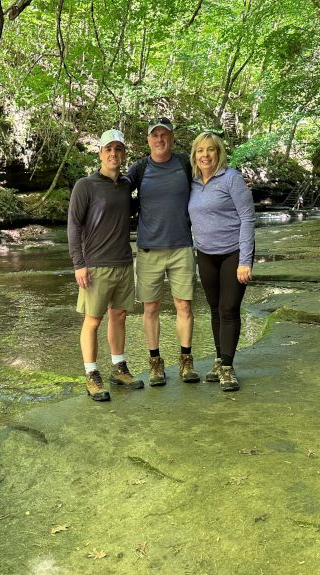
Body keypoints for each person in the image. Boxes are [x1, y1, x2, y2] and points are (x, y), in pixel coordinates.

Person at [67, 129, 143, 401]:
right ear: (99, 153)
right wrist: (79, 263)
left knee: (119, 316)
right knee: (93, 320)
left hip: (123, 262)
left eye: (119, 149)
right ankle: (91, 374)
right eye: (108, 149)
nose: (114, 153)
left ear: (123, 154)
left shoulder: (125, 186)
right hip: (95, 265)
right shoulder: (85, 186)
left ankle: (119, 368)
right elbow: (74, 226)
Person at [127, 116, 199, 387]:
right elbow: (119, 191)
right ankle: (155, 363)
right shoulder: (140, 168)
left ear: (172, 137)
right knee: (151, 307)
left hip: (182, 246)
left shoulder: (184, 164)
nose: (160, 140)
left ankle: (186, 360)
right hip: (148, 249)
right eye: (155, 135)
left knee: (184, 305)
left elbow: (207, 184)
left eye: (164, 135)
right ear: (148, 140)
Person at [187, 132, 255, 392]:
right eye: (200, 151)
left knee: (228, 308)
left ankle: (228, 367)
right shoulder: (192, 182)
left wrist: (245, 260)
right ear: (195, 156)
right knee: (214, 308)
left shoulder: (232, 179)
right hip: (205, 252)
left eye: (210, 150)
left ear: (219, 153)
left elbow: (248, 219)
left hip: (233, 252)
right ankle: (219, 359)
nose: (205, 155)